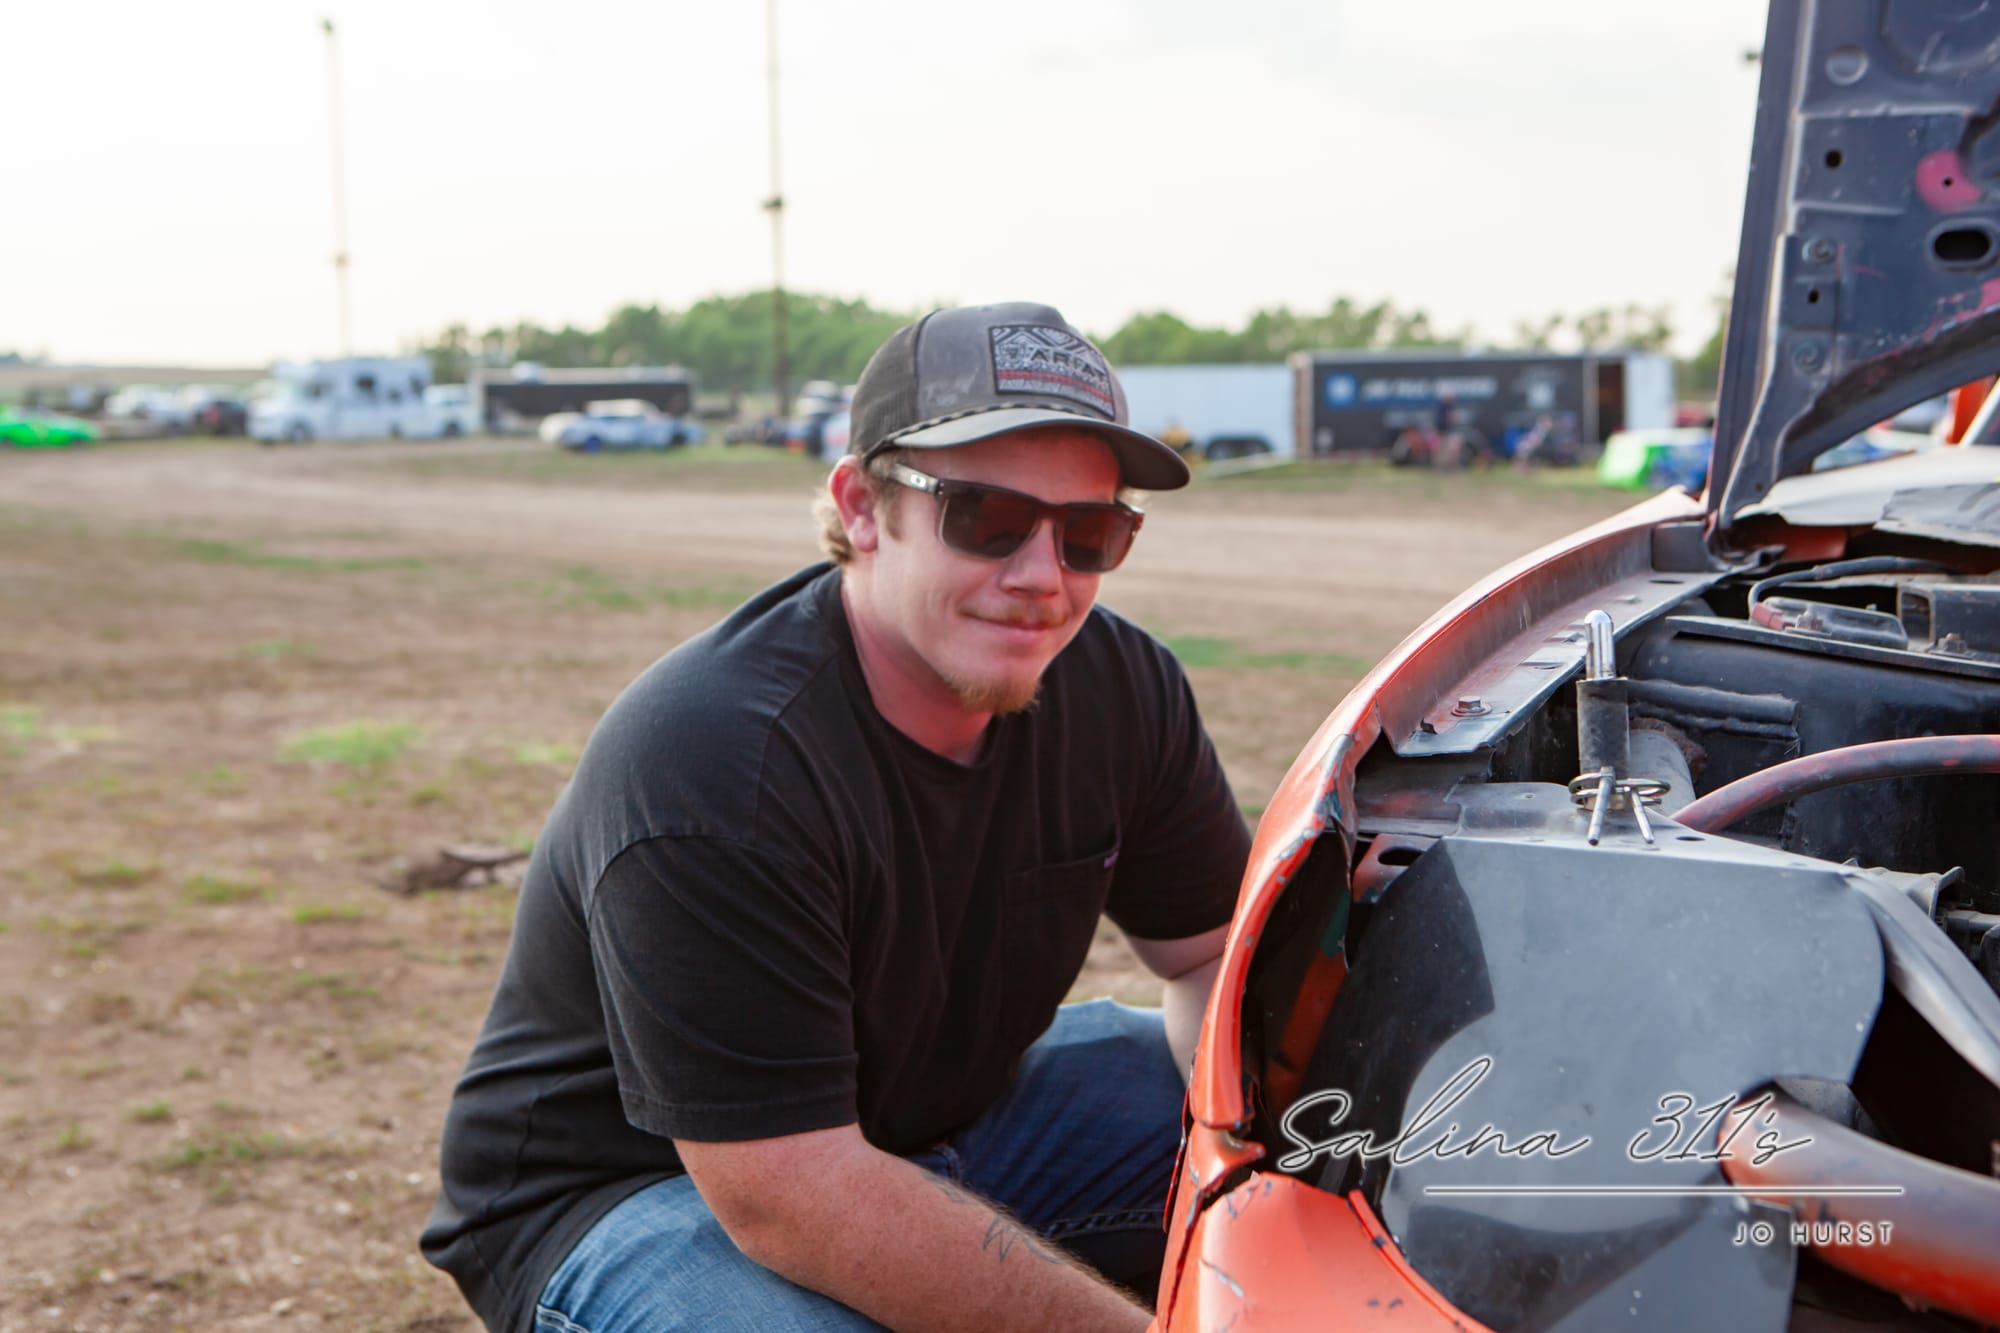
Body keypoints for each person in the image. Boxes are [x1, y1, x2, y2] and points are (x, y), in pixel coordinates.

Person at [421, 302, 1253, 1332]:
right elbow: (791, 1194)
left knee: (1346, 1126)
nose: (1042, 576)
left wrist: (1270, 1154)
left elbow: (1212, 960)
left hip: (922, 1124)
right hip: (644, 1187)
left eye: (1090, 533)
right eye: (986, 518)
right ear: (862, 507)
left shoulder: (1120, 686)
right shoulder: (717, 757)